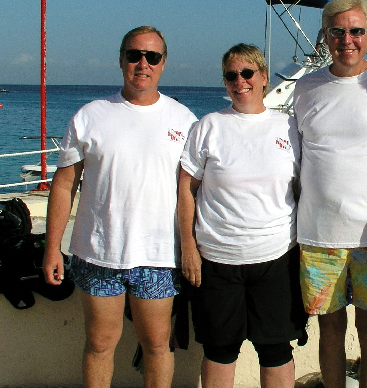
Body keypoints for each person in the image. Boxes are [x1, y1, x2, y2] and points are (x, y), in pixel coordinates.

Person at [42, 26, 198, 388]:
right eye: (134, 55)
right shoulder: (90, 115)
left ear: (163, 64)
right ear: (121, 59)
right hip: (98, 252)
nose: (142, 63)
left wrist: (192, 247)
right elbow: (64, 185)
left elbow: (193, 192)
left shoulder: (185, 121)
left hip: (159, 255)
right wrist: (52, 248)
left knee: (158, 345)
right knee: (99, 343)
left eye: (152, 56)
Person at [293, 0, 367, 388]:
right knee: (329, 332)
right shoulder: (304, 89)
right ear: (324, 36)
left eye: (356, 31)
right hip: (318, 235)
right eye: (337, 32)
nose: (347, 40)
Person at [177, 43, 306, 388]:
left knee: (276, 349)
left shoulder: (290, 127)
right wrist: (188, 247)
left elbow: (305, 189)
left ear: (264, 77)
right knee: (220, 350)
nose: (240, 81)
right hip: (217, 260)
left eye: (247, 73)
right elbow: (186, 190)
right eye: (231, 75)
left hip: (276, 257)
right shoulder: (209, 126)